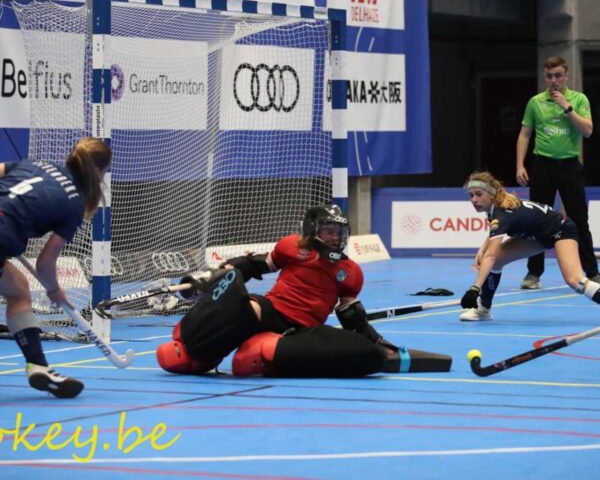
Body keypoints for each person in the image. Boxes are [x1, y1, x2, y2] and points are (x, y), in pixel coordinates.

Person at [157, 204, 451, 377]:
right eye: (329, 231)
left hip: (302, 330)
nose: (335, 238)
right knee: (243, 300)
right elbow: (254, 266)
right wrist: (214, 277)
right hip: (270, 310)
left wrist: (378, 344)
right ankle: (195, 351)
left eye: (340, 233)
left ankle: (267, 351)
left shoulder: (351, 271)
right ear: (313, 231)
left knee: (364, 352)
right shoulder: (291, 247)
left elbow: (353, 319)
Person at [0, 137, 112, 397]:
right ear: (98, 171)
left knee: (19, 289)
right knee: (18, 292)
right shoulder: (74, 203)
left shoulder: (35, 164)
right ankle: (38, 365)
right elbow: (45, 262)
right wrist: (54, 290)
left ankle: (39, 366)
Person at [459, 171, 600, 321]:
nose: (474, 199)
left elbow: (491, 255)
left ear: (491, 194)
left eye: (479, 194)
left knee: (575, 280)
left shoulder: (501, 213)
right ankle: (483, 310)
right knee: (496, 261)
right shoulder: (497, 207)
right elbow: (495, 234)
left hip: (561, 230)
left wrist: (475, 288)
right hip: (538, 235)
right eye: (471, 195)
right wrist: (482, 249)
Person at [516, 55, 599, 290]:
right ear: (545, 77)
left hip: (570, 166)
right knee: (537, 221)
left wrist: (567, 108)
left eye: (558, 76)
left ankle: (592, 271)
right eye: (550, 76)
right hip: (543, 165)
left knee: (579, 220)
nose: (554, 80)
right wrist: (520, 165)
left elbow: (588, 131)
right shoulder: (535, 102)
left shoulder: (579, 99)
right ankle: (534, 273)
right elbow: (524, 134)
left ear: (566, 76)